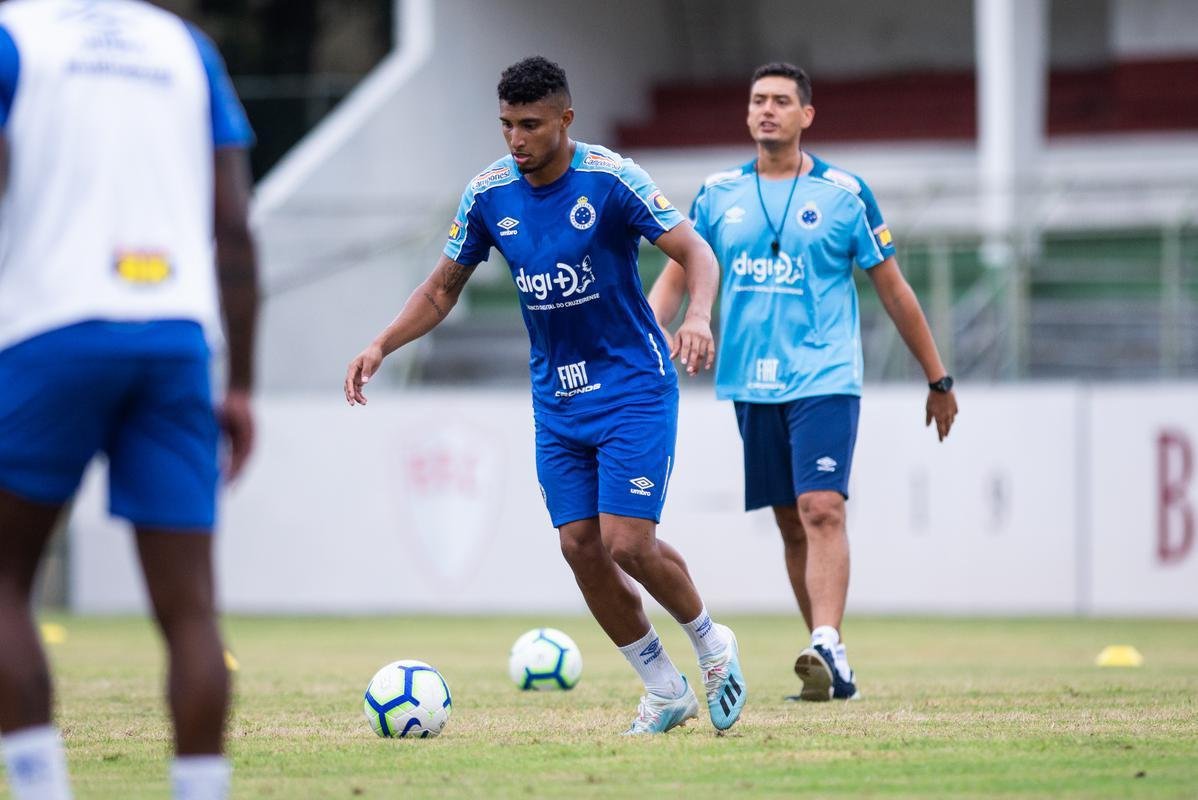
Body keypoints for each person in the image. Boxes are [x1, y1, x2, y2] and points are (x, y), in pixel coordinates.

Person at [345, 56, 747, 735]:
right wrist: (383, 343)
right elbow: (442, 289)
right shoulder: (488, 193)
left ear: (565, 118)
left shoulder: (612, 180)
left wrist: (700, 316)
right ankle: (662, 687)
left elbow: (697, 252)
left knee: (627, 543)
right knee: (579, 546)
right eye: (505, 125)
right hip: (557, 403)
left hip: (632, 389)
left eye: (530, 125)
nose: (515, 140)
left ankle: (712, 643)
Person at [0, 1, 258, 798]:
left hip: (50, 328)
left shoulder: (14, 36)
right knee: (190, 610)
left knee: (6, 581)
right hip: (175, 338)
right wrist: (241, 382)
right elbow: (234, 226)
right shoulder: (185, 47)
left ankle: (42, 788)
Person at [649, 62, 958, 702]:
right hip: (749, 382)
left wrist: (938, 375)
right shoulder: (715, 195)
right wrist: (644, 344)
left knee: (823, 507)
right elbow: (678, 276)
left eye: (782, 101)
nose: (768, 110)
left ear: (806, 116)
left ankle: (827, 641)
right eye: (758, 99)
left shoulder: (847, 194)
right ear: (747, 112)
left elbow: (894, 291)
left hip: (825, 375)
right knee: (791, 522)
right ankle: (831, 668)